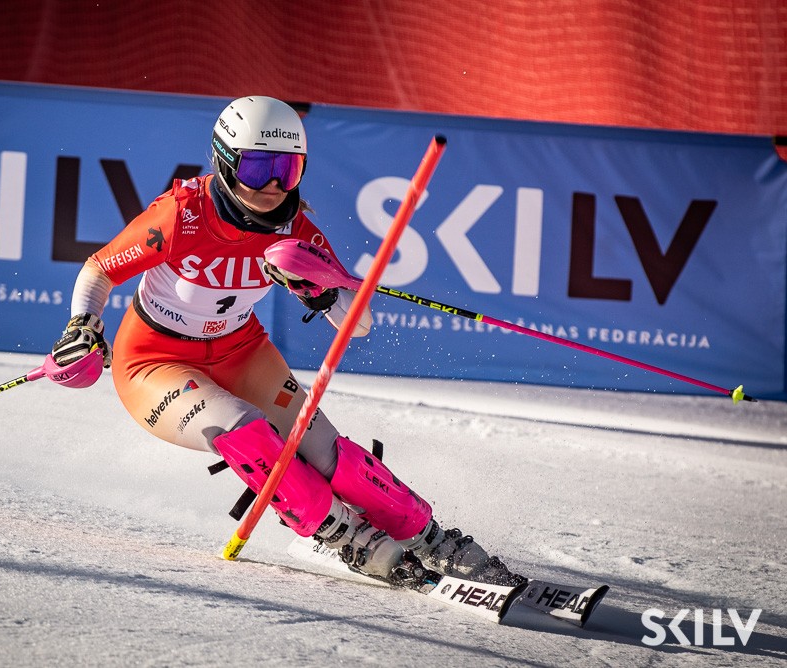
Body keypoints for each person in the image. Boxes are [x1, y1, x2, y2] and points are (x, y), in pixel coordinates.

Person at [50, 95, 522, 589]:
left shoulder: (295, 231)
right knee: (248, 432)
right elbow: (100, 268)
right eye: (258, 169)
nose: (274, 186)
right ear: (225, 161)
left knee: (326, 452)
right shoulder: (181, 216)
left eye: (287, 170)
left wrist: (320, 292)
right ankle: (348, 537)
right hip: (155, 361)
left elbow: (358, 324)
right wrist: (82, 325)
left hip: (240, 351)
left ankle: (430, 537)